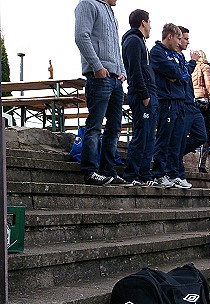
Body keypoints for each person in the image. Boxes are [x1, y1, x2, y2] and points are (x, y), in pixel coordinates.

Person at [74, 0, 127, 186]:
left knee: (114, 127)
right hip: (99, 76)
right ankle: (90, 170)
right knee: (95, 125)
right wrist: (97, 67)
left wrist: (122, 72)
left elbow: (116, 48)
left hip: (115, 78)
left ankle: (108, 170)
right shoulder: (87, 4)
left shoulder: (111, 14)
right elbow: (81, 36)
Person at [121, 9, 159, 187]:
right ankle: (132, 173)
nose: (151, 26)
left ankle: (144, 173)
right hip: (142, 95)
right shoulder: (133, 41)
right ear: (143, 22)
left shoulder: (141, 42)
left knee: (149, 136)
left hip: (150, 94)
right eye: (149, 22)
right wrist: (144, 95)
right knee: (141, 134)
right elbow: (135, 71)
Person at [150, 23, 185, 188]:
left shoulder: (177, 55)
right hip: (166, 100)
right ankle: (159, 173)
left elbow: (182, 74)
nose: (180, 42)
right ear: (169, 36)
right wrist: (175, 74)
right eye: (178, 38)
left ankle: (172, 174)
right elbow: (173, 72)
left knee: (176, 140)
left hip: (179, 100)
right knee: (164, 139)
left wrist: (176, 75)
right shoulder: (157, 51)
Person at [175, 26, 205, 189]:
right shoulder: (175, 57)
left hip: (191, 103)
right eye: (185, 39)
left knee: (201, 136)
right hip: (181, 104)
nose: (188, 42)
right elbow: (181, 74)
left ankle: (175, 155)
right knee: (178, 139)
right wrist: (193, 61)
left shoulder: (181, 59)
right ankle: (177, 169)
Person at [191, 50, 210, 174]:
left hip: (192, 100)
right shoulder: (204, 67)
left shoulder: (191, 67)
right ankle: (202, 164)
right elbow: (209, 84)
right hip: (203, 101)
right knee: (206, 133)